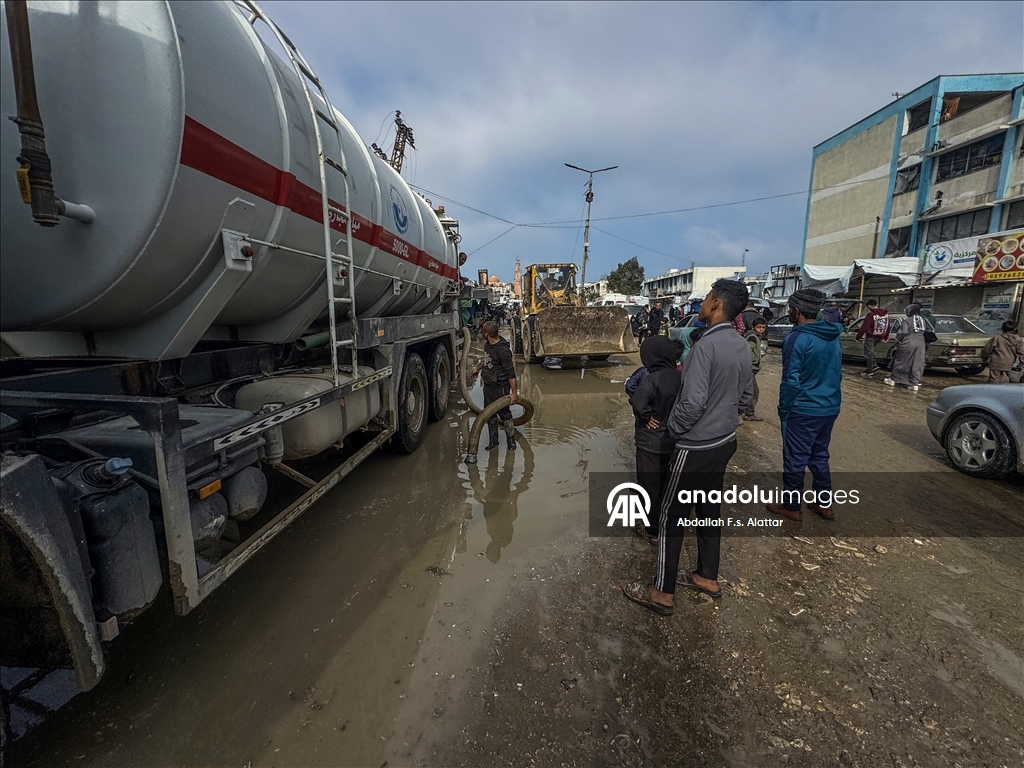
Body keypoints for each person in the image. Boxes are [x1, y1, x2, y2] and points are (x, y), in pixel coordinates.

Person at [623, 278, 753, 615]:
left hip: (696, 446)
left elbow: (692, 404)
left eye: (707, 297)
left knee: (670, 516)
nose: (703, 302)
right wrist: (724, 417)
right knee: (709, 511)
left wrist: (673, 432)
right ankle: (706, 576)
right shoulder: (740, 345)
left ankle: (662, 592)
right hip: (725, 441)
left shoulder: (702, 349)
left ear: (716, 305)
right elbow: (748, 397)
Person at [766, 289, 842, 523]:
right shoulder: (833, 336)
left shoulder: (796, 338)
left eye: (790, 308)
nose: (789, 312)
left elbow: (790, 380)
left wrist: (783, 407)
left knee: (795, 458)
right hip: (830, 406)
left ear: (797, 310)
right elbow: (837, 373)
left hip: (803, 408)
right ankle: (824, 503)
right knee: (820, 455)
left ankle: (792, 506)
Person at [627, 336, 684, 545]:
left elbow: (638, 401)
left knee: (649, 486)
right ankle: (670, 524)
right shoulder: (682, 377)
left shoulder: (652, 378)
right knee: (668, 483)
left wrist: (646, 416)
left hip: (650, 441)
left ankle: (654, 530)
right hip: (674, 439)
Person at [470, 321, 519, 451]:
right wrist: (477, 369)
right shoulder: (488, 345)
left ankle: (511, 441)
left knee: (505, 414)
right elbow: (486, 360)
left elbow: (511, 374)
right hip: (489, 387)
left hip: (500, 387)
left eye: (483, 331)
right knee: (490, 414)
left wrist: (514, 393)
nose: (482, 333)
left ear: (486, 334)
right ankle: (494, 441)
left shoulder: (503, 351)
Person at [884, 303, 931, 391]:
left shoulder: (907, 321)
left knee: (901, 361)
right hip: (921, 343)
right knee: (917, 363)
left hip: (908, 341)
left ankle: (893, 379)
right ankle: (914, 383)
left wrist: (900, 339)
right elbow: (930, 330)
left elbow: (902, 333)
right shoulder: (924, 320)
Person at [855, 299, 891, 377]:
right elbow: (887, 326)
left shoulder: (870, 315)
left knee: (868, 353)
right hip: (880, 336)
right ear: (877, 304)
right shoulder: (886, 315)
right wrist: (885, 337)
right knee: (870, 352)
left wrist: (858, 337)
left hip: (871, 336)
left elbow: (864, 327)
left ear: (869, 306)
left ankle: (870, 370)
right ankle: (874, 365)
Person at [743, 317, 767, 421]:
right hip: (750, 368)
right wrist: (754, 362)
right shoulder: (752, 337)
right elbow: (749, 351)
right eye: (759, 327)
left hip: (751, 368)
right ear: (753, 327)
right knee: (753, 392)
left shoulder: (756, 337)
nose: (761, 329)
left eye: (763, 327)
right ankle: (749, 414)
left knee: (747, 391)